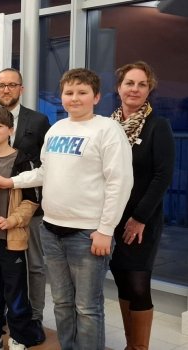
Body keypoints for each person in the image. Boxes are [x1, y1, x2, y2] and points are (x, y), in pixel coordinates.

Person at [0, 68, 134, 350]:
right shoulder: (56, 129)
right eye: (69, 92)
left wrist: (106, 230)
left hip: (88, 234)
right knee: (62, 303)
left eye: (82, 92)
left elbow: (120, 182)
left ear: (96, 97)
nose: (74, 98)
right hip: (51, 230)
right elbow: (44, 172)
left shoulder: (107, 129)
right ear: (62, 96)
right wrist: (11, 181)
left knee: (87, 307)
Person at [0, 68, 50, 343]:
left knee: (27, 274)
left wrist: (15, 218)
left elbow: (38, 180)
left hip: (20, 222)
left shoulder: (38, 122)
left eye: (11, 85)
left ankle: (28, 325)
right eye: (1, 85)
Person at [109, 61, 174, 350]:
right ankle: (130, 344)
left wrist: (139, 218)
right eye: (129, 83)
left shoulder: (158, 126)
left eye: (142, 84)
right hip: (112, 216)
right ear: (118, 88)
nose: (134, 89)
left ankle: (139, 347)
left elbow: (162, 176)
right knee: (121, 277)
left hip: (142, 219)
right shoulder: (108, 126)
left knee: (137, 282)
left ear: (149, 90)